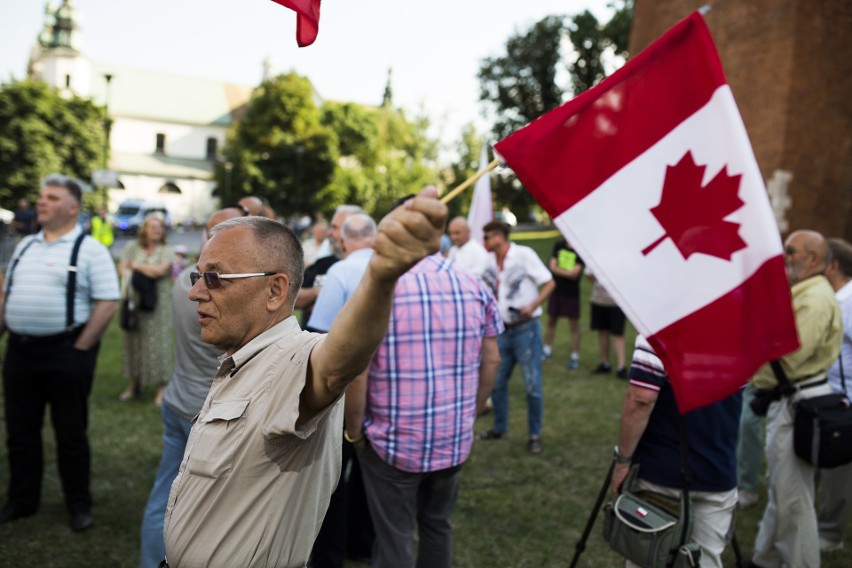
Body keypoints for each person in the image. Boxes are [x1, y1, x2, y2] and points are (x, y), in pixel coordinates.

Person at [161, 188, 447, 567]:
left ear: (275, 290)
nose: (196, 292)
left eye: (214, 278)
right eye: (199, 275)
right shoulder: (243, 357)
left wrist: (380, 275)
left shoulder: (289, 360)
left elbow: (336, 363)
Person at [345, 248, 502, 568]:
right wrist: (468, 417)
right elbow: (493, 359)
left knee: (394, 536)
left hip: (393, 443)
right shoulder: (474, 283)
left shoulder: (381, 287)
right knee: (437, 524)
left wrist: (354, 431)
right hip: (451, 440)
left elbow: (357, 370)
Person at [0, 174, 120, 531]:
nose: (41, 202)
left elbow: (107, 302)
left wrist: (79, 347)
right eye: (41, 196)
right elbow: (8, 293)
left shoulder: (90, 250)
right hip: (20, 352)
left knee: (70, 434)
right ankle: (22, 500)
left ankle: (78, 505)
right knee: (20, 431)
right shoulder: (25, 246)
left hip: (64, 352)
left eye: (51, 197)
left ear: (72, 207)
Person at [139, 206, 246, 568]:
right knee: (208, 510)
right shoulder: (221, 289)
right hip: (208, 411)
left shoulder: (187, 276)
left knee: (164, 494)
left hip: (178, 398)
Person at [749, 229, 842, 568]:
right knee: (783, 488)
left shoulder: (814, 299)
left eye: (791, 251)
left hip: (797, 402)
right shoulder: (807, 292)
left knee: (793, 499)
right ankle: (766, 558)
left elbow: (788, 356)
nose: (784, 257)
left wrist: (749, 369)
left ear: (814, 259)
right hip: (791, 400)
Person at [611, 335, 741, 567]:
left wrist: (622, 462)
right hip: (718, 470)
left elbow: (641, 399)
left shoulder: (660, 325)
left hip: (661, 472)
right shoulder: (743, 328)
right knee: (704, 560)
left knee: (647, 558)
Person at [307, 211, 377, 567]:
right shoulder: (394, 269)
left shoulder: (342, 271)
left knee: (333, 473)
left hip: (347, 387)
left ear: (346, 240)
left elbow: (321, 333)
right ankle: (363, 543)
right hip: (388, 390)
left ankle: (329, 554)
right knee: (371, 471)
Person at [479, 220, 554, 454]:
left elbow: (549, 282)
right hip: (502, 330)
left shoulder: (523, 255)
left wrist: (532, 306)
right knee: (497, 382)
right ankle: (500, 428)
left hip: (526, 328)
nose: (486, 242)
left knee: (532, 384)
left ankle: (534, 435)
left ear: (501, 236)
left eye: (488, 237)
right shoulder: (489, 262)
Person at [816, 237, 852, 552]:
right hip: (824, 397)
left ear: (833, 265)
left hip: (845, 401)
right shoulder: (831, 298)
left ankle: (830, 533)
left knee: (837, 472)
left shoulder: (849, 303)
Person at [118, 214, 174, 405]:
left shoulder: (166, 249)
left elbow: (161, 271)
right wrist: (147, 268)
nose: (157, 230)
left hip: (160, 305)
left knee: (159, 345)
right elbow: (122, 270)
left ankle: (161, 388)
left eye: (160, 227)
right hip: (135, 302)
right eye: (153, 227)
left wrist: (136, 265)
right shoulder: (131, 247)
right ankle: (134, 385)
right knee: (134, 342)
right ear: (144, 229)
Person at [306, 212, 375, 333]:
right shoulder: (394, 266)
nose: (330, 233)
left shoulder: (339, 270)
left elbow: (322, 327)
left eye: (335, 227)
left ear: (343, 242)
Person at [295, 205, 364, 325]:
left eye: (335, 227)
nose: (329, 233)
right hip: (314, 342)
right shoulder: (324, 263)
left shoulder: (369, 267)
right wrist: (317, 292)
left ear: (354, 231)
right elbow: (292, 298)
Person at [543, 238, 584, 368]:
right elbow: (552, 266)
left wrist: (559, 270)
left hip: (571, 293)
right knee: (551, 321)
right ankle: (547, 350)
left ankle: (575, 356)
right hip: (556, 290)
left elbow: (575, 273)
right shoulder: (559, 245)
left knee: (574, 325)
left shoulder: (580, 249)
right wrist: (567, 272)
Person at [588, 270, 628, 379]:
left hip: (616, 302)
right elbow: (589, 276)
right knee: (602, 331)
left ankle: (621, 366)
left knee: (618, 333)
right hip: (598, 299)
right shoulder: (595, 257)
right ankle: (605, 363)